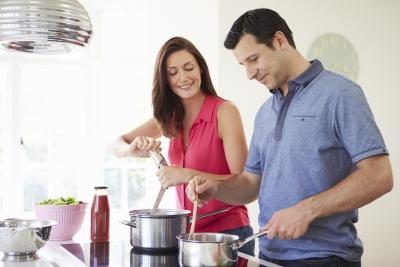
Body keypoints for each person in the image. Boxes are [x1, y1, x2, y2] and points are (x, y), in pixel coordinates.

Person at [187, 8, 393, 267]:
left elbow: (380, 176)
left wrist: (307, 210)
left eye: (254, 59)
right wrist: (216, 188)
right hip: (270, 257)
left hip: (326, 260)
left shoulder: (341, 94)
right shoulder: (265, 112)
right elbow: (251, 183)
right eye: (243, 65)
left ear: (280, 41)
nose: (249, 73)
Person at [109, 36, 254, 255]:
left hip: (227, 234)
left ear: (201, 70)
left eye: (189, 68)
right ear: (164, 78)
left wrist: (185, 174)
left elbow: (244, 182)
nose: (183, 78)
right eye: (173, 72)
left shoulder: (224, 112)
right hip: (188, 236)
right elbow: (114, 144)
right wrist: (131, 150)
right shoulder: (170, 116)